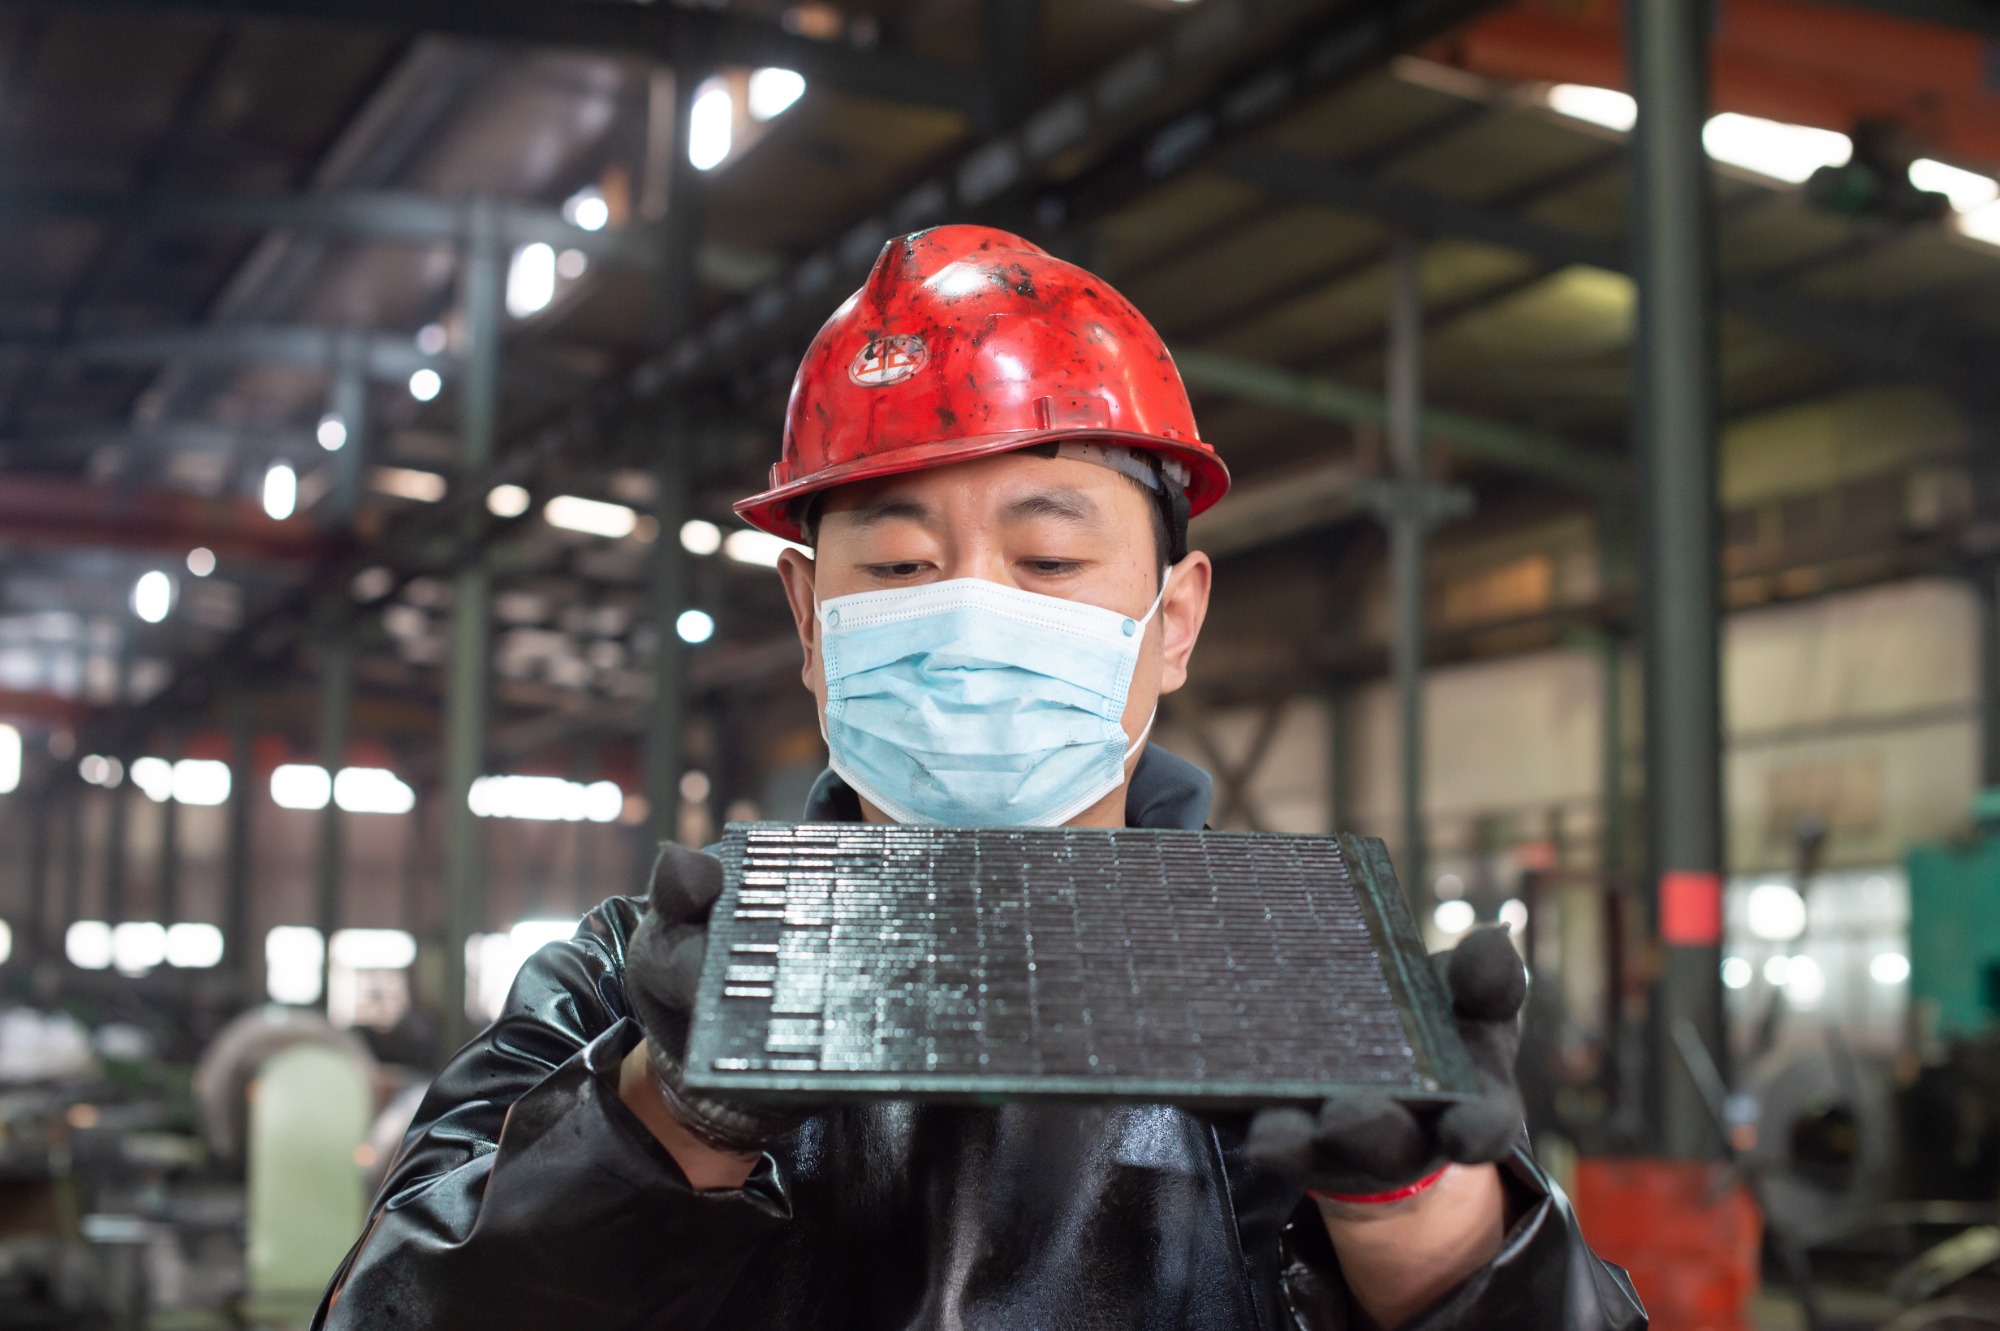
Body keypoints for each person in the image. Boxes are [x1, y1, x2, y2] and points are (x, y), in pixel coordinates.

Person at [314, 226, 1644, 1330]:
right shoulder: (628, 996)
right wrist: (667, 1125)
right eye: (898, 567)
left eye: (1049, 561)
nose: (967, 618)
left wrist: (1421, 1227)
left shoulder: (1309, 1000)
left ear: (1175, 619)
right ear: (809, 619)